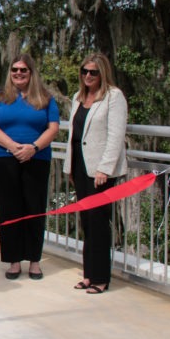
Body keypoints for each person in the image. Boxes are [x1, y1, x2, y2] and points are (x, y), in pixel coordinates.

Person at [0, 53, 60, 281]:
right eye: (15, 70)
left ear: (31, 72)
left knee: (34, 208)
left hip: (36, 158)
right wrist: (13, 146)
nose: (18, 73)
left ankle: (34, 261)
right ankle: (14, 260)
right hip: (4, 157)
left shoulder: (45, 98)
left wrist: (33, 148)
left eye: (23, 70)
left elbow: (53, 128)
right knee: (9, 209)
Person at [63, 52, 128, 295]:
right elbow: (74, 135)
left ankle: (101, 277)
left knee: (99, 222)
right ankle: (88, 274)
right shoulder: (79, 97)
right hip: (80, 167)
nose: (88, 76)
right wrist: (70, 167)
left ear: (103, 73)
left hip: (100, 170)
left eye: (93, 72)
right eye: (84, 71)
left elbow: (115, 135)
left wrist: (105, 168)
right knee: (86, 223)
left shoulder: (113, 97)